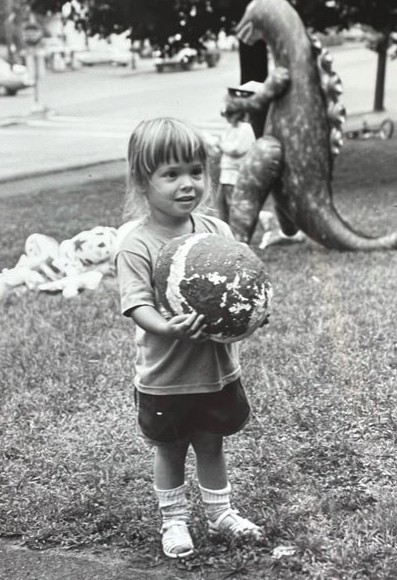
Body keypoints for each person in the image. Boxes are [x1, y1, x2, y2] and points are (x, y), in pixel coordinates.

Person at [115, 117, 262, 559]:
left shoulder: (218, 233)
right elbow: (136, 303)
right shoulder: (136, 243)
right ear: (144, 180)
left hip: (215, 369)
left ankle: (220, 512)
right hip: (165, 375)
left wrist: (252, 313)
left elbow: (243, 284)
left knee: (212, 442)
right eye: (171, 174)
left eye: (195, 172)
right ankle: (174, 521)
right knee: (171, 448)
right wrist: (166, 326)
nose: (187, 184)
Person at [215, 109, 256, 223]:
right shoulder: (230, 128)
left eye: (230, 115)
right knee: (221, 205)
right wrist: (221, 144)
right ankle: (225, 230)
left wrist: (221, 145)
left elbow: (237, 149)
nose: (228, 119)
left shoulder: (245, 128)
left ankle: (235, 231)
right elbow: (223, 143)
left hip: (236, 173)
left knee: (234, 205)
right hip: (225, 173)